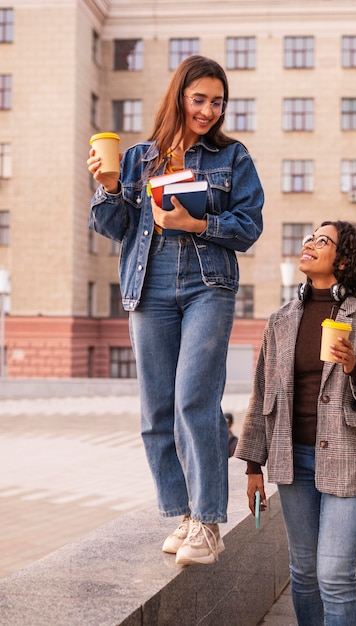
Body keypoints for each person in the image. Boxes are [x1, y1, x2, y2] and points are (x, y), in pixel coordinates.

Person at [87, 55, 264, 566]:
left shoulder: (233, 158)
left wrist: (195, 224)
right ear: (179, 97)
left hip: (209, 283)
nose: (209, 110)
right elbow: (113, 225)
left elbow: (248, 226)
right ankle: (184, 513)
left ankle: (208, 521)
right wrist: (110, 187)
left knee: (194, 398)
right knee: (157, 409)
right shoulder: (140, 157)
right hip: (149, 284)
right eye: (199, 99)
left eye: (217, 101)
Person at [235, 221, 356, 625]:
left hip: (351, 459)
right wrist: (253, 465)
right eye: (309, 238)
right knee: (304, 574)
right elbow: (263, 395)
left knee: (335, 576)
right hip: (292, 461)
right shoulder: (280, 320)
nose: (309, 244)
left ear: (343, 260)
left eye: (322, 241)